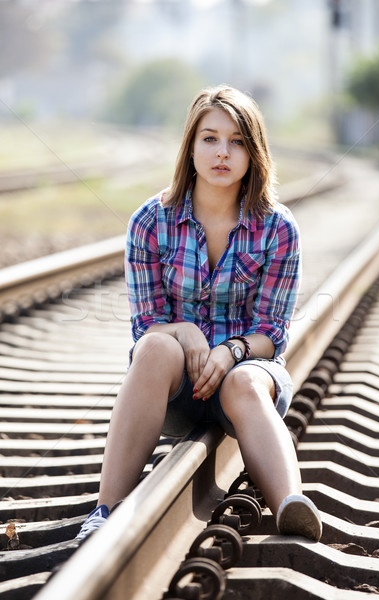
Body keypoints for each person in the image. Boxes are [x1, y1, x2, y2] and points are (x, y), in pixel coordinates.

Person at [76, 85, 322, 542]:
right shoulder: (151, 221)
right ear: (190, 147)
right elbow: (146, 323)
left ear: (255, 152)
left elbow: (271, 330)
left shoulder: (277, 227)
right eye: (209, 138)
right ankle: (105, 510)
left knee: (245, 381)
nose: (222, 153)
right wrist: (184, 332)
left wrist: (230, 352)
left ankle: (291, 505)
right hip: (176, 387)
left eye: (238, 141)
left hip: (247, 376)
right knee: (152, 348)